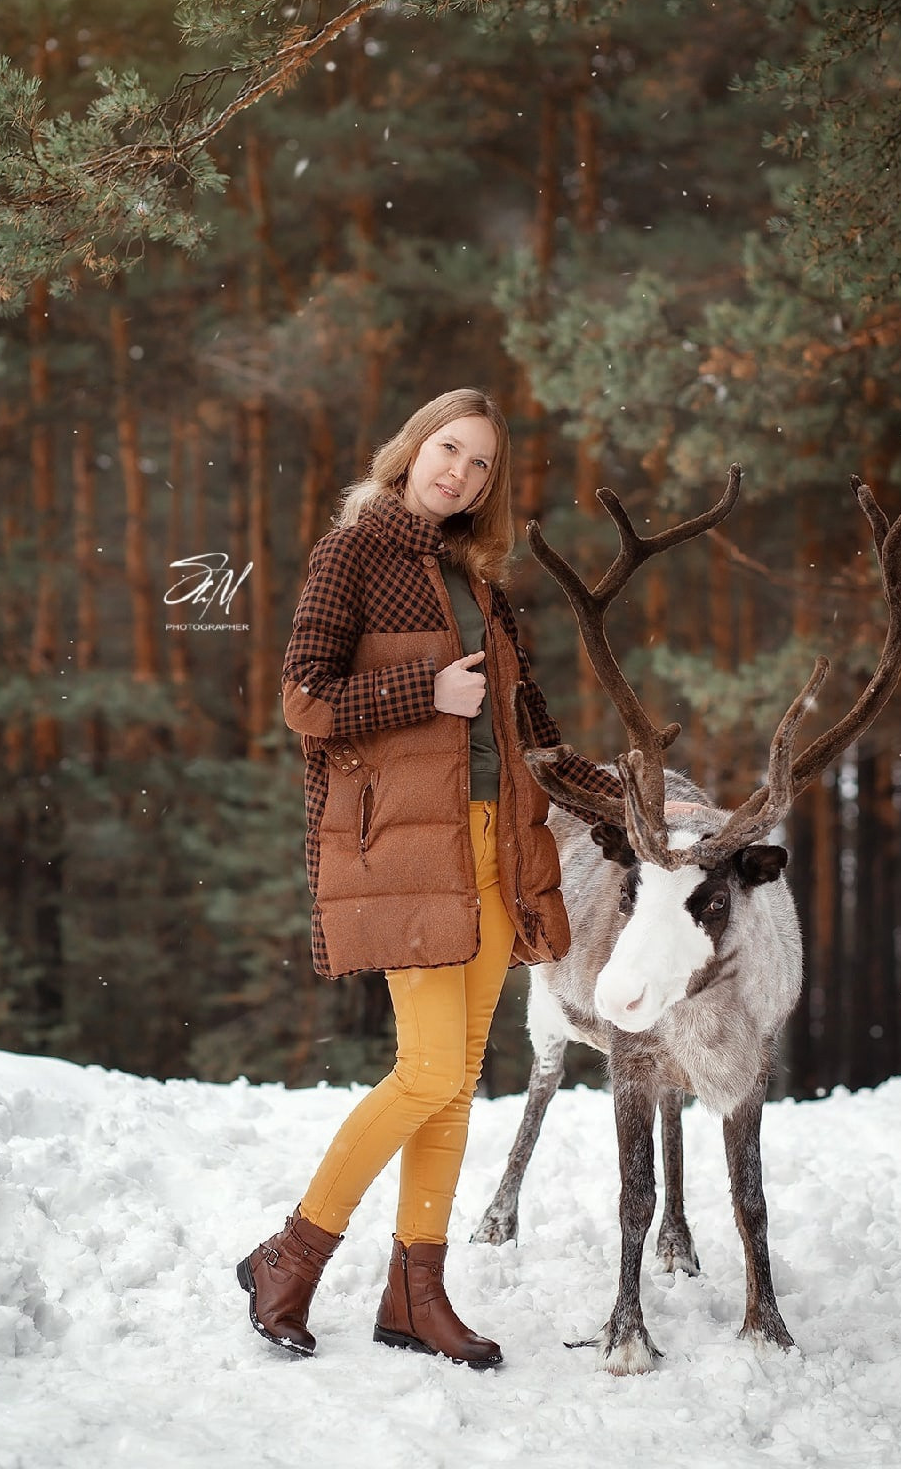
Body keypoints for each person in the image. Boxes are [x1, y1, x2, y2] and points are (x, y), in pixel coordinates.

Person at [236, 387, 619, 1368]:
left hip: (494, 846)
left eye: (481, 462)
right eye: (450, 447)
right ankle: (292, 1253)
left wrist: (623, 803)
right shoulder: (352, 551)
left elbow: (529, 731)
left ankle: (417, 1293)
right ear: (413, 448)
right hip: (406, 849)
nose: (460, 470)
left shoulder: (479, 580)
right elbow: (304, 699)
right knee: (426, 1072)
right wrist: (427, 690)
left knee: (453, 1088)